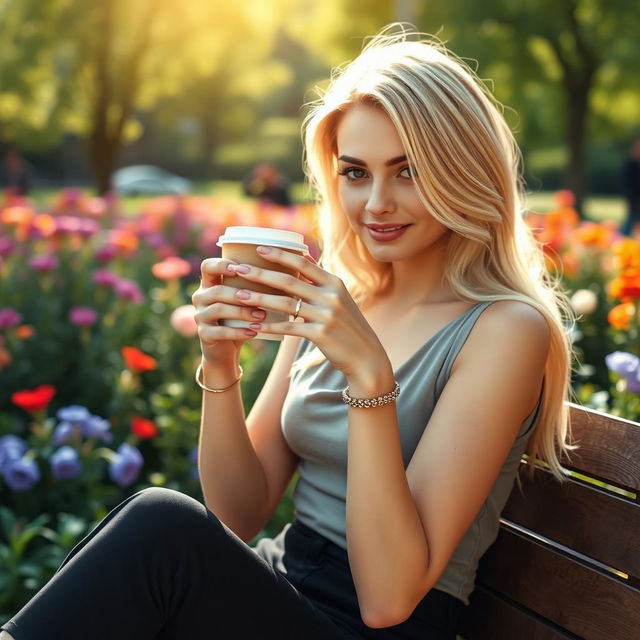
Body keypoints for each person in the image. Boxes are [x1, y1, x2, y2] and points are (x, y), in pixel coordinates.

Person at [0, 24, 577, 640]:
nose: (377, 202)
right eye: (356, 173)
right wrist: (219, 366)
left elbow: (388, 600)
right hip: (279, 590)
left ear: (461, 172)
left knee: (159, 526)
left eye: (407, 171)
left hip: (372, 627)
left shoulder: (504, 329)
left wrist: (369, 378)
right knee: (157, 537)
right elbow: (236, 513)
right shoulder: (336, 295)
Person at [619, 135, 640, 236]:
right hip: (634, 200)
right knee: (630, 222)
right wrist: (634, 199)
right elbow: (627, 184)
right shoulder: (630, 164)